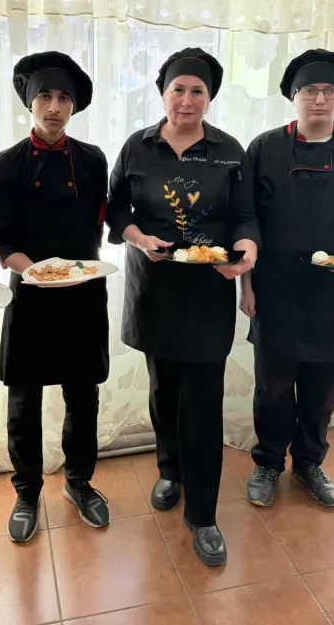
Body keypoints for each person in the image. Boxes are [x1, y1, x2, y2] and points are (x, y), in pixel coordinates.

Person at [106, 47, 260, 567]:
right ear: (163, 93)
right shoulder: (138, 146)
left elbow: (245, 215)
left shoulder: (228, 150)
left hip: (207, 290)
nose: (187, 100)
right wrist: (137, 237)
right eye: (178, 89)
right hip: (154, 288)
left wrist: (247, 249)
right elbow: (116, 209)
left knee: (202, 402)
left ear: (209, 98)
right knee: (162, 390)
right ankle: (169, 470)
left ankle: (204, 513)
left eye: (198, 91)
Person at [242, 49, 334, 508]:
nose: (320, 99)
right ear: (294, 96)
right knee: (272, 389)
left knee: (323, 390)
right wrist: (245, 285)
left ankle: (309, 462)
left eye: (329, 91)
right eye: (310, 90)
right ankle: (269, 461)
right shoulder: (264, 148)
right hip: (276, 290)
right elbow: (246, 220)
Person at [0, 51, 110, 542]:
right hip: (32, 294)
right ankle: (26, 491)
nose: (54, 107)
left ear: (74, 106)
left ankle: (79, 482)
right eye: (45, 97)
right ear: (30, 103)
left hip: (84, 293)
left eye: (63, 98)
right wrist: (39, 272)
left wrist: (77, 271)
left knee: (83, 394)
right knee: (24, 398)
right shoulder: (6, 165)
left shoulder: (93, 160)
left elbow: (97, 224)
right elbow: (3, 241)